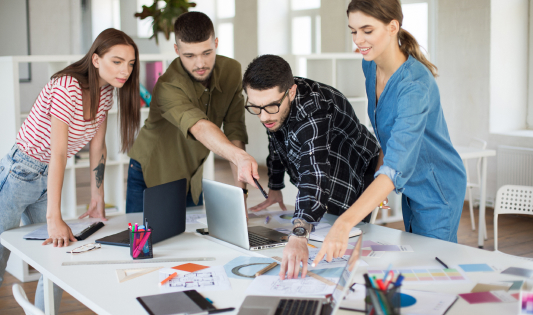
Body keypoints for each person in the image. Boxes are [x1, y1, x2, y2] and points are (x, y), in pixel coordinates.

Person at [313, 0, 467, 267]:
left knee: (431, 266)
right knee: (413, 259)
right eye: (353, 31)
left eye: (367, 30)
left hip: (437, 188)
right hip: (409, 183)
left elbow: (396, 166)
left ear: (393, 27)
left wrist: (345, 222)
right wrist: (375, 190)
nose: (358, 40)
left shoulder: (415, 85)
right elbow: (389, 132)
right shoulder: (370, 65)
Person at [0, 28, 140, 313]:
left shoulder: (106, 92)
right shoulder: (68, 86)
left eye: (131, 63)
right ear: (96, 59)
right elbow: (59, 152)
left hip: (47, 178)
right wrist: (55, 217)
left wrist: (97, 197)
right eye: (117, 61)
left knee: (57, 255)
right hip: (20, 172)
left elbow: (97, 147)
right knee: (1, 255)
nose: (125, 70)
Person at [242, 55, 380, 280]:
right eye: (255, 107)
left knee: (342, 258)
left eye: (271, 107)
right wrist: (275, 186)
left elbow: (314, 173)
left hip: (354, 176)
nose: (263, 116)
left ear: (292, 92)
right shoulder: (274, 102)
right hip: (323, 176)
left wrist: (298, 235)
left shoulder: (315, 109)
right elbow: (276, 139)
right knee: (317, 239)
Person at [127, 11, 258, 213]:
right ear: (176, 50)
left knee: (192, 241)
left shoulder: (231, 71)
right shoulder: (167, 85)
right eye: (189, 55)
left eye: (207, 52)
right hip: (151, 172)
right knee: (145, 243)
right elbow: (199, 126)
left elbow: (235, 130)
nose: (200, 64)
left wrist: (241, 196)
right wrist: (239, 157)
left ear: (216, 43)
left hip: (192, 174)